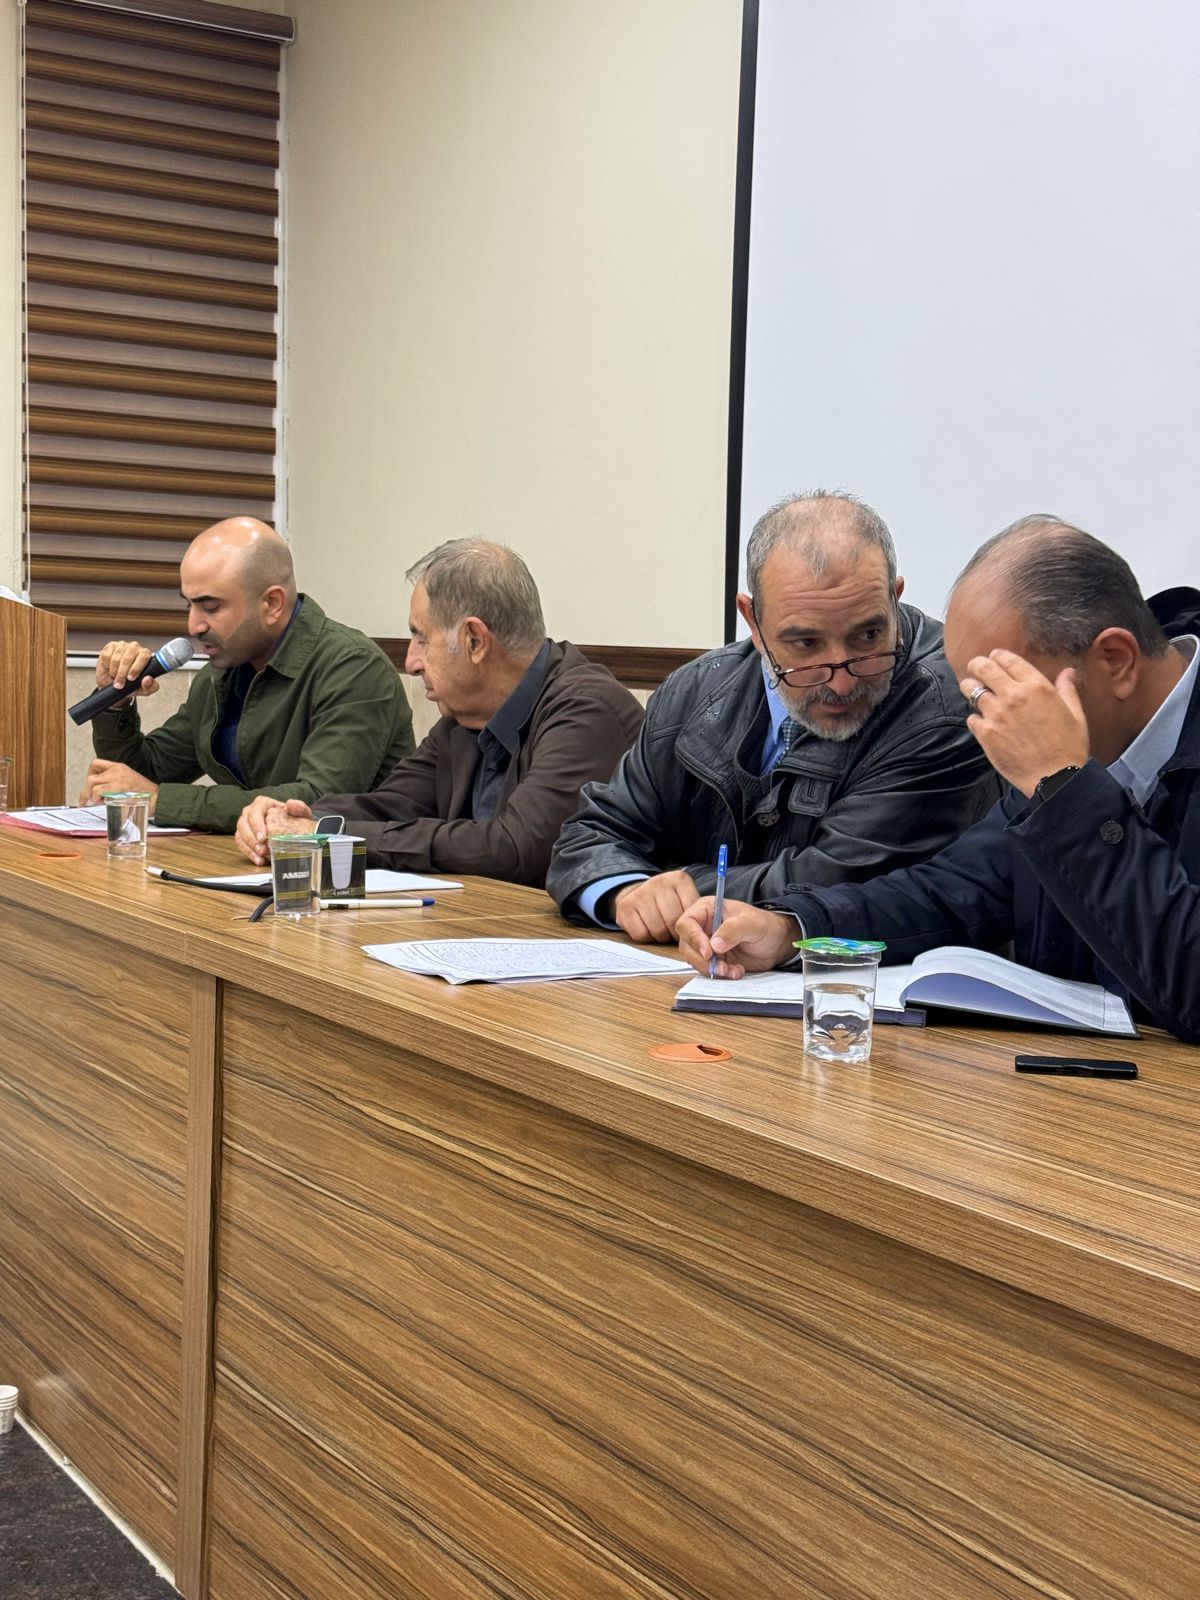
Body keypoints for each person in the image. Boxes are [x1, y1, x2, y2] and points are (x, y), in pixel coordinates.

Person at [676, 516, 1200, 1042]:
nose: (985, 723)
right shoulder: (1071, 754)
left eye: (999, 691)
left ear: (1115, 660)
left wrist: (1064, 787)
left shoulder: (1059, 766)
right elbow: (948, 892)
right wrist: (794, 930)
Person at [547, 491, 998, 941]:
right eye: (806, 644)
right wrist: (625, 892)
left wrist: (671, 885)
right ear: (753, 621)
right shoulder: (694, 691)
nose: (842, 681)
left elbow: (839, 882)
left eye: (868, 635)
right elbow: (590, 837)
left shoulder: (945, 700)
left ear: (894, 599)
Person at [234, 539, 645, 886]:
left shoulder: (587, 710)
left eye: (420, 639)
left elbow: (517, 849)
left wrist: (329, 838)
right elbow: (391, 805)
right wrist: (294, 817)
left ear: (474, 640)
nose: (410, 662)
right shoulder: (465, 719)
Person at [79, 517, 414, 830]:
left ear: (272, 604)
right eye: (188, 605)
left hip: (353, 869)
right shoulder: (223, 673)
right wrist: (116, 702)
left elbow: (316, 801)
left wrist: (160, 800)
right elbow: (146, 775)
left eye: (210, 607)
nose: (193, 626)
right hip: (256, 861)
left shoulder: (353, 668)